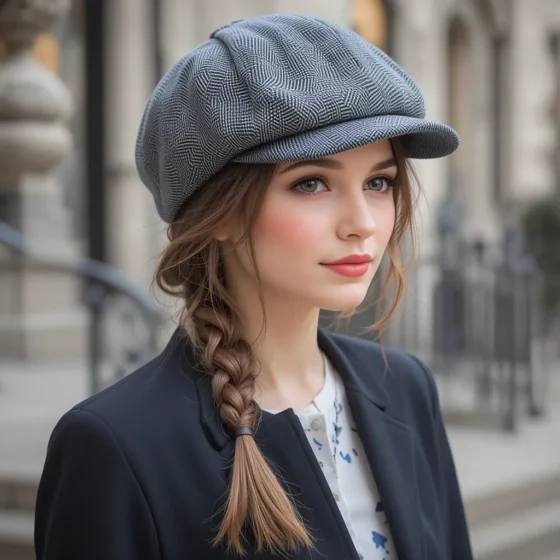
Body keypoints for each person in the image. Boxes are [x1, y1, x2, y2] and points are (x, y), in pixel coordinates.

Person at [34, 13, 473, 560]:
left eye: (378, 182)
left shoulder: (404, 387)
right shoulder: (114, 447)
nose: (362, 221)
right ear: (217, 210)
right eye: (311, 183)